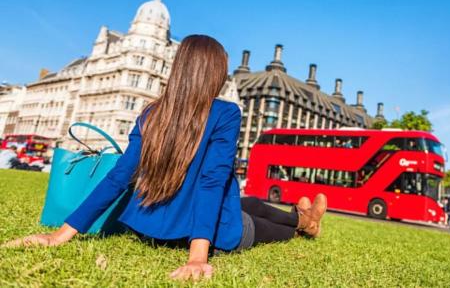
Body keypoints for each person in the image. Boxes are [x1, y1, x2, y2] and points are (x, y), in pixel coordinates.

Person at [2, 35, 328, 281]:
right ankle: (306, 224)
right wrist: (198, 256)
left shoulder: (151, 113)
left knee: (253, 203)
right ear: (213, 74)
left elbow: (119, 177)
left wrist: (60, 234)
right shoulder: (225, 112)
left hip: (150, 228)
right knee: (261, 226)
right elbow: (211, 182)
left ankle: (306, 215)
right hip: (204, 231)